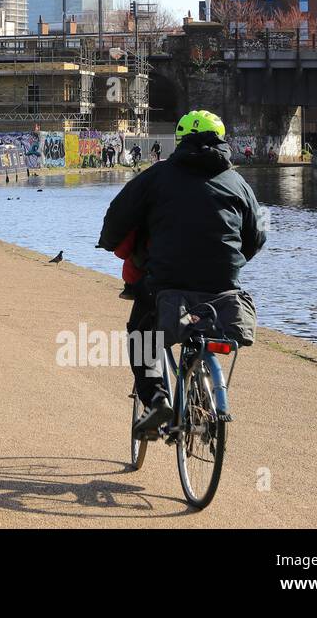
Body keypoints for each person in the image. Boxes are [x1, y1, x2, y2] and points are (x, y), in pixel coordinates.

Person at [97, 110, 266, 437]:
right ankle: (205, 398)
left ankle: (157, 397)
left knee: (142, 331)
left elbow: (118, 216)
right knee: (203, 324)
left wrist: (108, 243)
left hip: (167, 282)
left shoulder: (158, 176)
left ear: (179, 140)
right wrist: (232, 261)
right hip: (222, 285)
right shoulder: (237, 182)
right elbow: (256, 236)